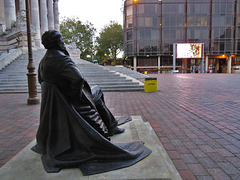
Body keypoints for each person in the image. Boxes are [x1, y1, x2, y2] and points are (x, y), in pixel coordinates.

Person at [31, 30, 151, 175]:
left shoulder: (43, 62)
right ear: (57, 42)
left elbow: (41, 81)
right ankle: (111, 126)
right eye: (61, 40)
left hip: (59, 104)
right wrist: (76, 97)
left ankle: (110, 124)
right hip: (73, 102)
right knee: (97, 91)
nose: (63, 42)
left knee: (95, 92)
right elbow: (78, 79)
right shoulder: (62, 59)